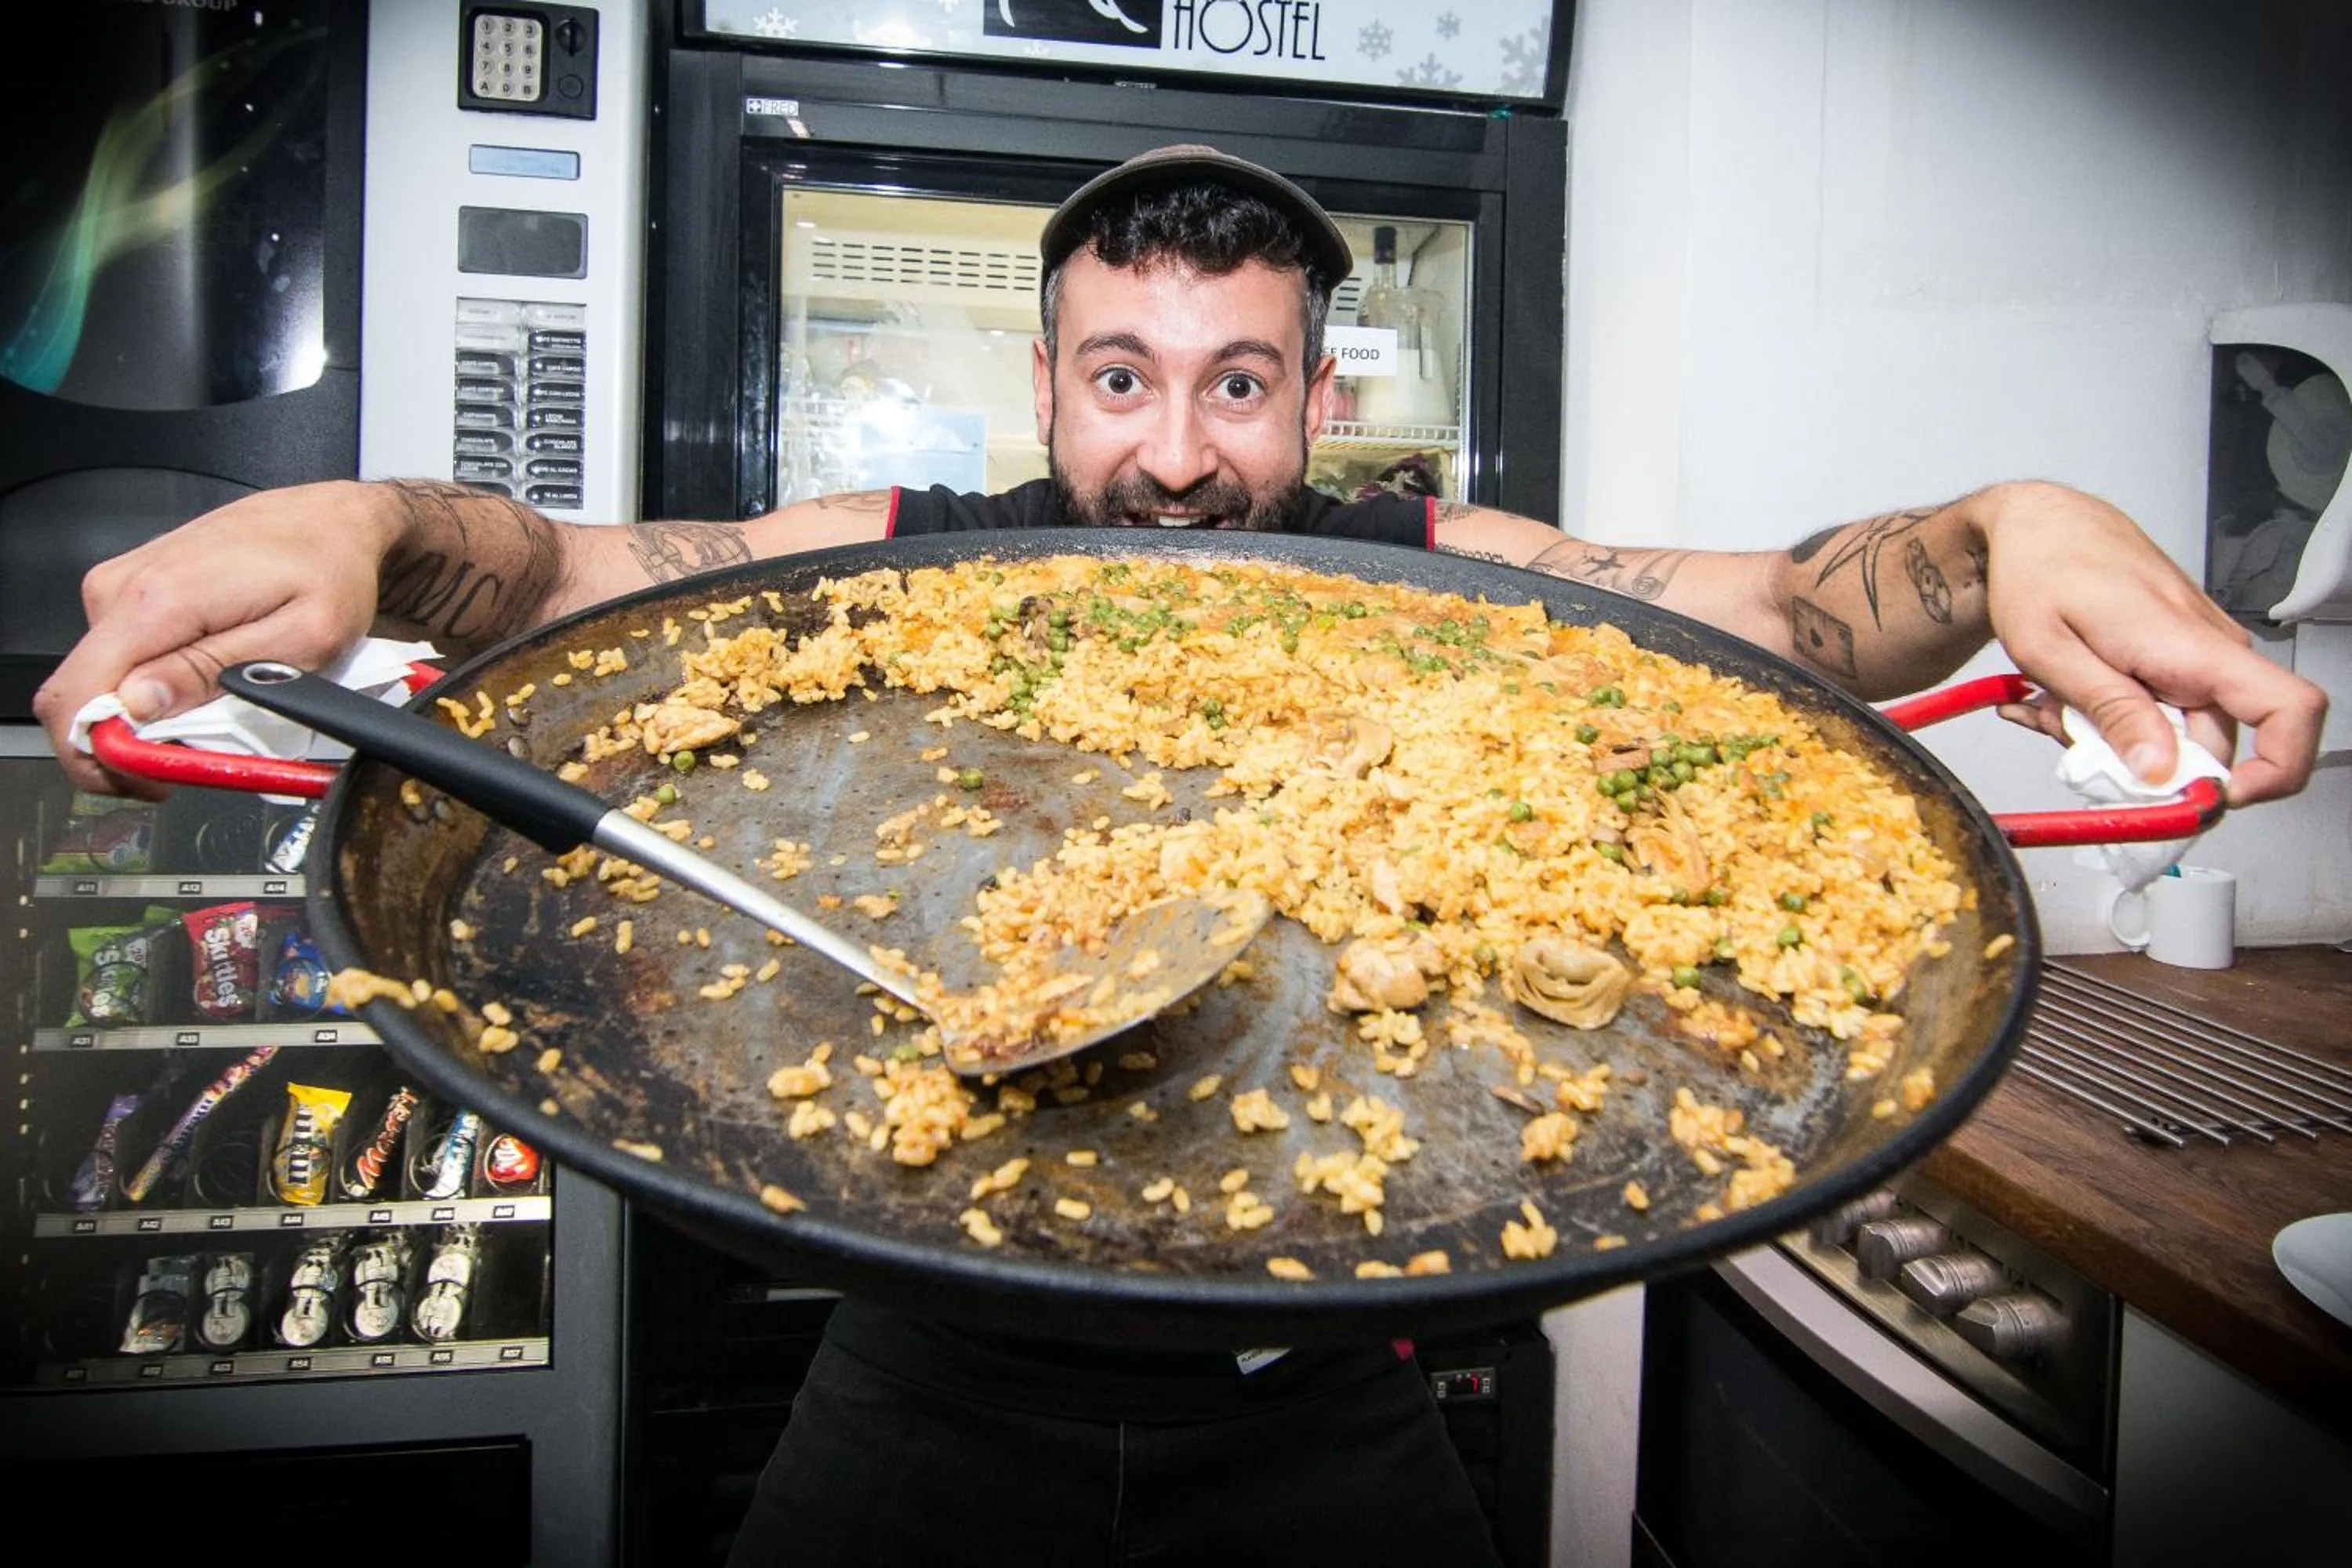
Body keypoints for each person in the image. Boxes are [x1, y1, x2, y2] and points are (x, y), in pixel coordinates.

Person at [34, 146, 2327, 1566]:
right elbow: (557, 587)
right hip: (909, 1410)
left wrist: (2017, 523)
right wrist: (365, 517)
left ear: (1321, 400)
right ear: (1045, 392)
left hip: (1333, 1418)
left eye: (1238, 380)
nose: (1174, 446)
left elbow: (1796, 616)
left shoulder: (1436, 572)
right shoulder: (900, 559)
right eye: (1119, 376)